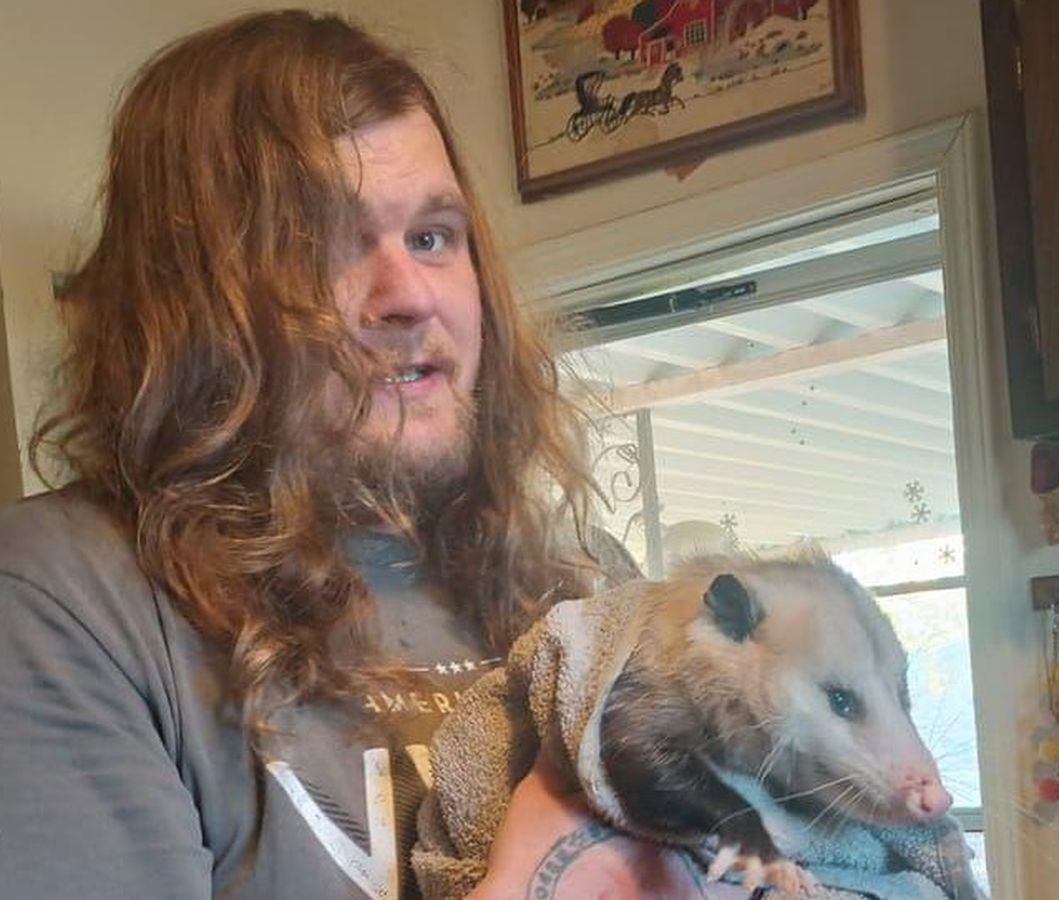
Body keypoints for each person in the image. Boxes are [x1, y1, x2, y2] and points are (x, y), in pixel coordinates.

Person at [0, 10, 751, 899]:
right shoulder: (57, 602)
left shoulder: (582, 581)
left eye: (431, 238)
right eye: (323, 249)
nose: (409, 295)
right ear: (191, 301)